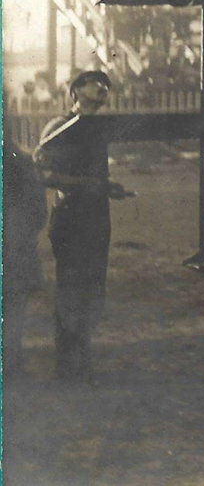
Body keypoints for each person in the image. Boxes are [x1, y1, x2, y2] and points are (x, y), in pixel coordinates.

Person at [36, 70, 136, 381]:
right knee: (71, 289)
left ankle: (82, 360)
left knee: (93, 288)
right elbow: (43, 172)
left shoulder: (95, 130)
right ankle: (67, 365)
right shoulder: (62, 127)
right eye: (95, 83)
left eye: (107, 85)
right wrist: (88, 184)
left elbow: (95, 178)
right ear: (75, 91)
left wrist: (107, 188)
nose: (104, 88)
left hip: (96, 215)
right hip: (70, 215)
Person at [4, 140, 49, 376]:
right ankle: (10, 361)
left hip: (15, 247)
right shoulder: (21, 160)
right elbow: (38, 212)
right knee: (14, 306)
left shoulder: (20, 161)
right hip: (16, 248)